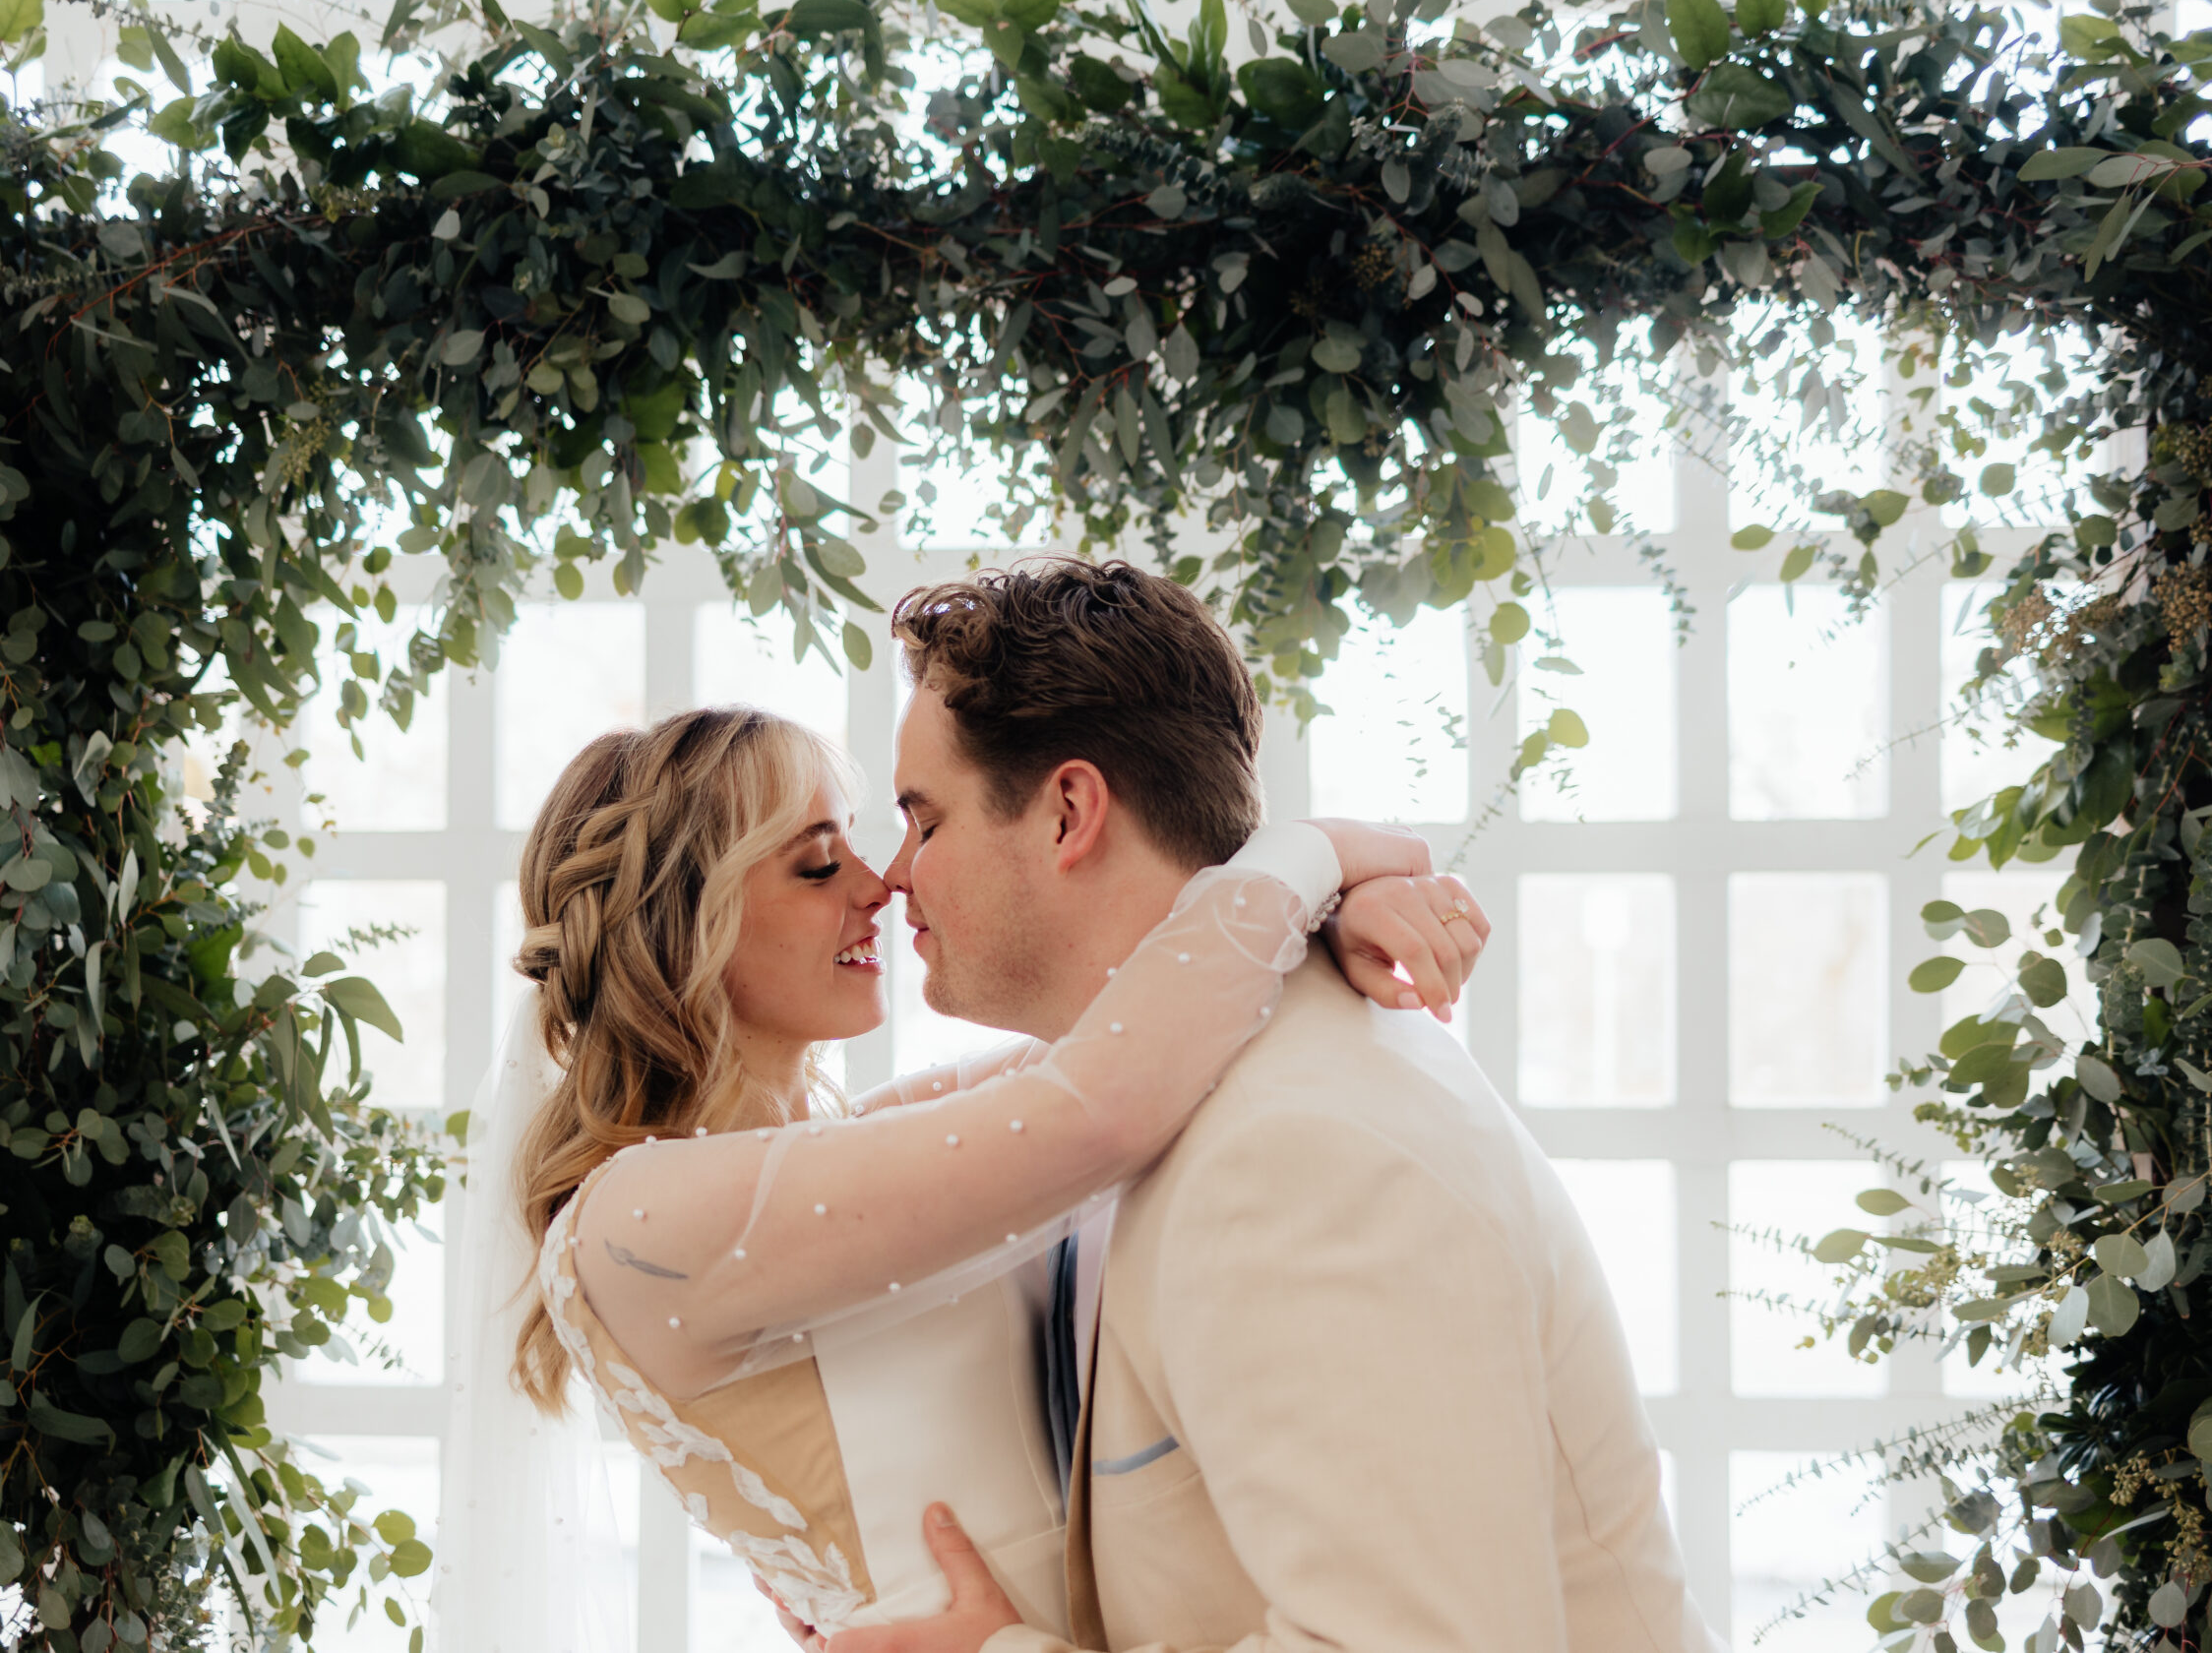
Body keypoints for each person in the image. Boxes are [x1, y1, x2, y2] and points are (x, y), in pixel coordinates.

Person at [427, 700, 1490, 1650]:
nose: (880, 884)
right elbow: (1104, 1100)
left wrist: (1321, 925)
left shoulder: (840, 1148)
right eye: (815, 862)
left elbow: (1142, 1031)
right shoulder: (636, 1219)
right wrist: (1311, 853)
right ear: (686, 923)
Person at [806, 558, 1721, 1653]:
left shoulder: (1296, 1155)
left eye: (925, 821)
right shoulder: (1158, 1085)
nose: (894, 875)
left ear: (1066, 813)